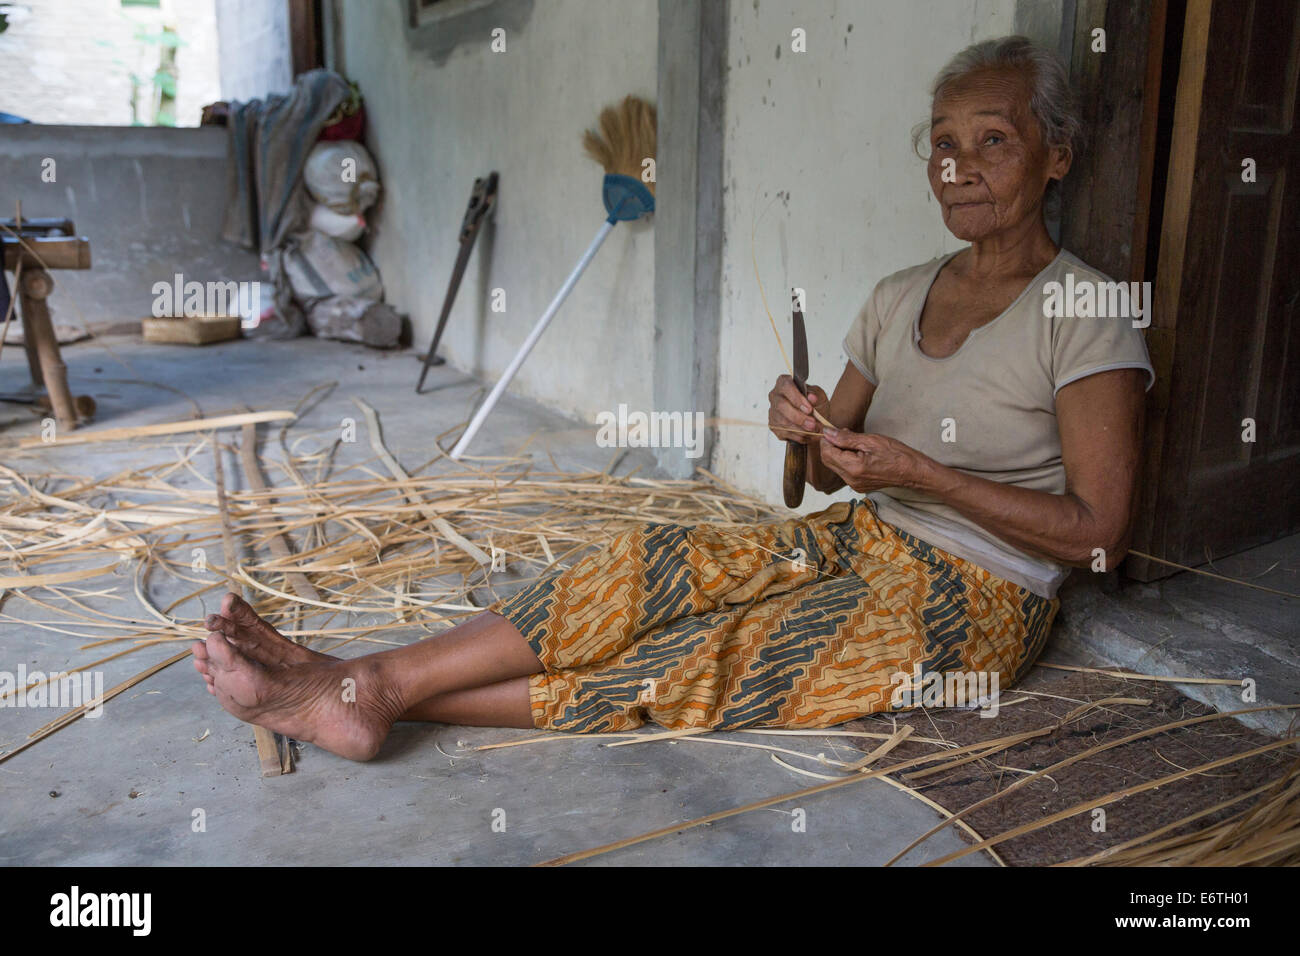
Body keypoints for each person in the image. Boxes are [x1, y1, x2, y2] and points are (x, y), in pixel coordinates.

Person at [192, 36, 1153, 762]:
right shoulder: (900, 292)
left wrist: (924, 475)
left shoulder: (1088, 307)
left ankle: (356, 694)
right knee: (650, 562)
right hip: (859, 542)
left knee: (723, 651)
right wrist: (801, 431)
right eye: (942, 143)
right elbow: (813, 483)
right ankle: (366, 687)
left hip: (978, 598)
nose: (960, 165)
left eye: (993, 139)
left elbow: (1097, 535)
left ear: (1057, 155)